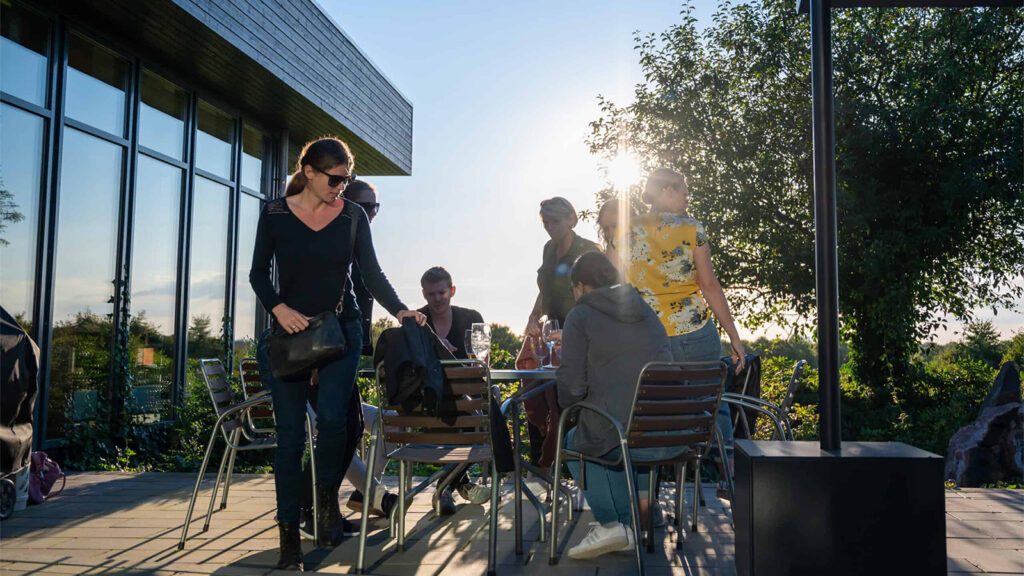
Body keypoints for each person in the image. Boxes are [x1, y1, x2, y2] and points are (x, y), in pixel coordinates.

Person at [250, 137, 426, 570]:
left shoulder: (351, 217)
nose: (342, 188)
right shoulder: (274, 215)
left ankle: (326, 497)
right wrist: (279, 307)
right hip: (289, 337)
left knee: (334, 420)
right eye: (335, 179)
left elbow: (372, 273)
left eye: (347, 180)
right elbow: (257, 274)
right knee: (290, 438)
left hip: (340, 331)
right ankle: (289, 533)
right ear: (309, 172)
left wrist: (400, 309)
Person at [630, 167, 746, 494]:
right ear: (666, 190)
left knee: (645, 417)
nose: (687, 196)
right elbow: (708, 285)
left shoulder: (625, 231)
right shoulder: (692, 229)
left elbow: (615, 289)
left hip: (646, 339)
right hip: (693, 333)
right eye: (683, 189)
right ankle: (729, 478)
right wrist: (734, 338)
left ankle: (643, 501)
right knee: (712, 404)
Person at [295, 178, 398, 541]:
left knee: (350, 429)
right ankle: (310, 512)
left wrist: (402, 312)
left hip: (344, 355)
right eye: (365, 206)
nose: (371, 214)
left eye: (375, 208)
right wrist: (312, 361)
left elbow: (376, 280)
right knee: (343, 431)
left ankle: (321, 513)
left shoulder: (353, 243)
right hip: (322, 357)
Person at [556, 251, 674, 560]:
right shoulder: (645, 309)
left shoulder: (580, 315)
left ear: (580, 286)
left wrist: (573, 401)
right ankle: (627, 526)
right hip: (668, 431)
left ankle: (612, 524)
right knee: (605, 434)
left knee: (575, 441)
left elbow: (571, 389)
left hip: (621, 434)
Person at [523, 197, 600, 470]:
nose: (550, 227)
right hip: (551, 331)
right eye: (545, 222)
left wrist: (574, 332)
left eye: (555, 221)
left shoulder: (590, 251)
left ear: (571, 219)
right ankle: (541, 468)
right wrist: (534, 317)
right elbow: (545, 290)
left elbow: (600, 299)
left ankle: (572, 470)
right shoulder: (548, 249)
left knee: (566, 401)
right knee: (534, 386)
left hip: (580, 334)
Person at [417, 266, 491, 513]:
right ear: (424, 295)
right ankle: (457, 483)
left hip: (468, 402)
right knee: (480, 414)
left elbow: (484, 364)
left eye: (441, 292)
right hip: (430, 405)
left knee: (477, 406)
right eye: (431, 294)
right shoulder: (417, 321)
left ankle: (446, 486)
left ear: (452, 291)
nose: (437, 299)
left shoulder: (472, 318)